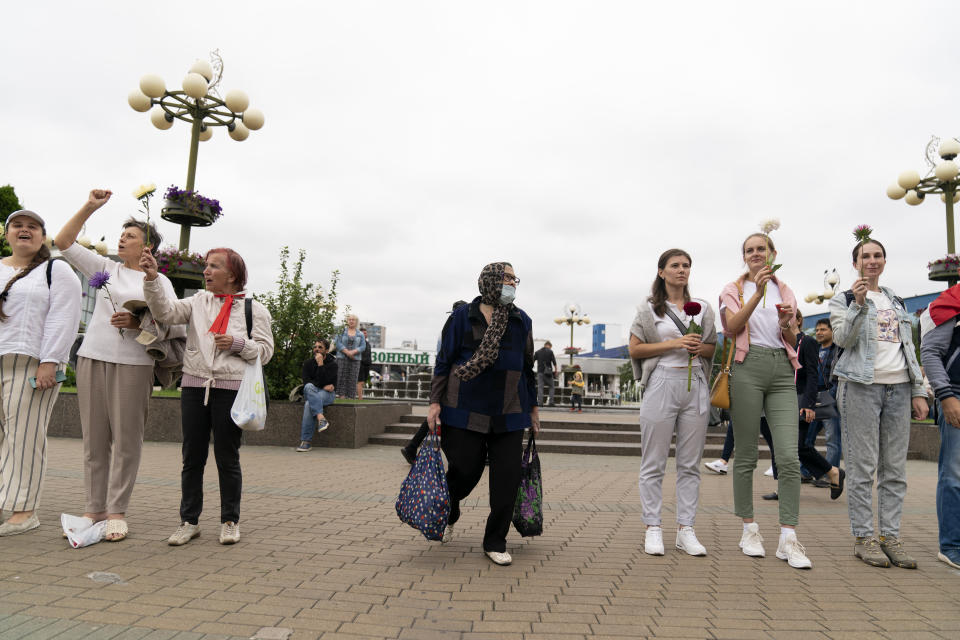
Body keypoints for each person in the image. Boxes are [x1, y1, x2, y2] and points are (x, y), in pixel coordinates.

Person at [54, 189, 174, 542]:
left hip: (134, 364)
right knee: (94, 440)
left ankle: (117, 511)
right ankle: (93, 509)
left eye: (131, 236)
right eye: (122, 235)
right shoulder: (104, 267)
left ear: (148, 246)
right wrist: (90, 206)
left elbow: (171, 323)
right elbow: (63, 241)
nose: (123, 239)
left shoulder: (158, 280)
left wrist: (138, 325)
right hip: (93, 357)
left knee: (126, 440)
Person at [140, 246, 274, 546]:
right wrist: (151, 279)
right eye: (206, 266)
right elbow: (165, 312)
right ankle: (189, 521)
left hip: (231, 390)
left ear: (233, 275)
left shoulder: (255, 309)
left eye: (213, 266)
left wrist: (239, 343)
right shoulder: (199, 301)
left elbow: (265, 353)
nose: (206, 271)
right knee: (192, 457)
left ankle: (230, 520)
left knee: (228, 458)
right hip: (194, 387)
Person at [427, 262, 539, 566]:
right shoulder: (463, 317)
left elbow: (528, 367)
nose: (512, 284)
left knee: (507, 479)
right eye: (506, 278)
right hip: (463, 408)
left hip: (510, 410)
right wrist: (435, 402)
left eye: (515, 279)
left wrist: (533, 409)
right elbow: (443, 361)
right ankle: (450, 510)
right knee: (464, 469)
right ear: (490, 280)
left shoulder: (521, 320)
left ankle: (495, 540)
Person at [830, 238, 928, 569]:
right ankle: (864, 538)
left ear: (884, 261)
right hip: (860, 387)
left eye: (878, 256)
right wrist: (858, 304)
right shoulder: (842, 299)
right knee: (861, 466)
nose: (872, 261)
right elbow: (842, 339)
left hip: (898, 388)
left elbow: (909, 348)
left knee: (894, 468)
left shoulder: (895, 300)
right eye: (865, 256)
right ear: (855, 263)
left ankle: (890, 536)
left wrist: (918, 390)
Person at [719, 232, 811, 569]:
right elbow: (731, 327)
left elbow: (791, 336)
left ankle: (788, 537)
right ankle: (749, 529)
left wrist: (787, 322)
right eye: (749, 250)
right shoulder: (734, 289)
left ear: (773, 253)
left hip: (782, 370)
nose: (756, 254)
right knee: (745, 454)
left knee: (787, 455)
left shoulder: (785, 290)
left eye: (762, 249)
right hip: (747, 367)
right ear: (744, 256)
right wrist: (757, 294)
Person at [629, 248, 716, 556]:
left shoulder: (703, 308)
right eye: (675, 265)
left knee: (690, 463)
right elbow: (635, 350)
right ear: (661, 272)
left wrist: (698, 349)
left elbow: (711, 349)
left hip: (696, 384)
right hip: (662, 381)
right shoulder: (648, 309)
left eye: (686, 265)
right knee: (653, 460)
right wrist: (675, 343)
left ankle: (686, 529)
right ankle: (653, 526)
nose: (682, 270)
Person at [0, 210, 81, 536]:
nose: (24, 230)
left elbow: (64, 317)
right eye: (17, 226)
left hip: (32, 363)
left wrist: (51, 361)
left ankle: (24, 510)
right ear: (7, 234)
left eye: (32, 227)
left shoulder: (56, 270)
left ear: (42, 236)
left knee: (24, 437)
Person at [762, 310, 845, 502]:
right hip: (777, 399)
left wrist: (808, 404)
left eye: (790, 317)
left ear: (799, 320)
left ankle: (832, 472)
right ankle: (785, 487)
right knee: (780, 446)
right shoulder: (778, 340)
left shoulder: (806, 342)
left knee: (798, 446)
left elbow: (812, 374)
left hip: (800, 399)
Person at [919, 278, 960, 570]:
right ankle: (951, 546)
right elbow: (930, 352)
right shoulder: (951, 303)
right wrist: (945, 396)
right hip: (956, 395)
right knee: (954, 474)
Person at [402, 300, 468, 465]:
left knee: (440, 413)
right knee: (442, 413)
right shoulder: (454, 328)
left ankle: (412, 446)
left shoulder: (446, 327)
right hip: (450, 378)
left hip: (445, 377)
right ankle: (413, 446)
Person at [296, 338, 337, 452]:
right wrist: (322, 385)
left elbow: (330, 383)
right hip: (312, 391)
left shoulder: (333, 365)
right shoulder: (308, 363)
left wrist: (320, 364)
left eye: (320, 347)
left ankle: (306, 442)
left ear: (327, 350)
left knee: (310, 403)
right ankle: (321, 418)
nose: (317, 349)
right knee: (309, 388)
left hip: (327, 395)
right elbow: (306, 382)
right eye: (315, 347)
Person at [334, 314, 365, 398]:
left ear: (356, 322)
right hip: (341, 358)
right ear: (347, 321)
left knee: (352, 378)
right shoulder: (341, 331)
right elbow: (337, 342)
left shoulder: (360, 334)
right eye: (349, 319)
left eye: (353, 320)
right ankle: (341, 396)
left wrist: (353, 352)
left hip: (355, 359)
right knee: (341, 377)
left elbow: (363, 346)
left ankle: (351, 397)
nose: (351, 321)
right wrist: (347, 352)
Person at [534, 340, 558, 406]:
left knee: (540, 387)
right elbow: (554, 363)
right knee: (551, 386)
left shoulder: (538, 352)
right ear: (549, 346)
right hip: (548, 373)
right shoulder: (550, 352)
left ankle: (540, 403)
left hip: (540, 372)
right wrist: (556, 371)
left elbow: (532, 360)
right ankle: (551, 402)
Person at [357, 328, 372, 399]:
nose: (364, 334)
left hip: (367, 365)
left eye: (365, 333)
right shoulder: (358, 343)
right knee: (360, 382)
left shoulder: (368, 343)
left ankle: (359, 396)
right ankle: (360, 398)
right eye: (363, 333)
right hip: (360, 364)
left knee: (363, 382)